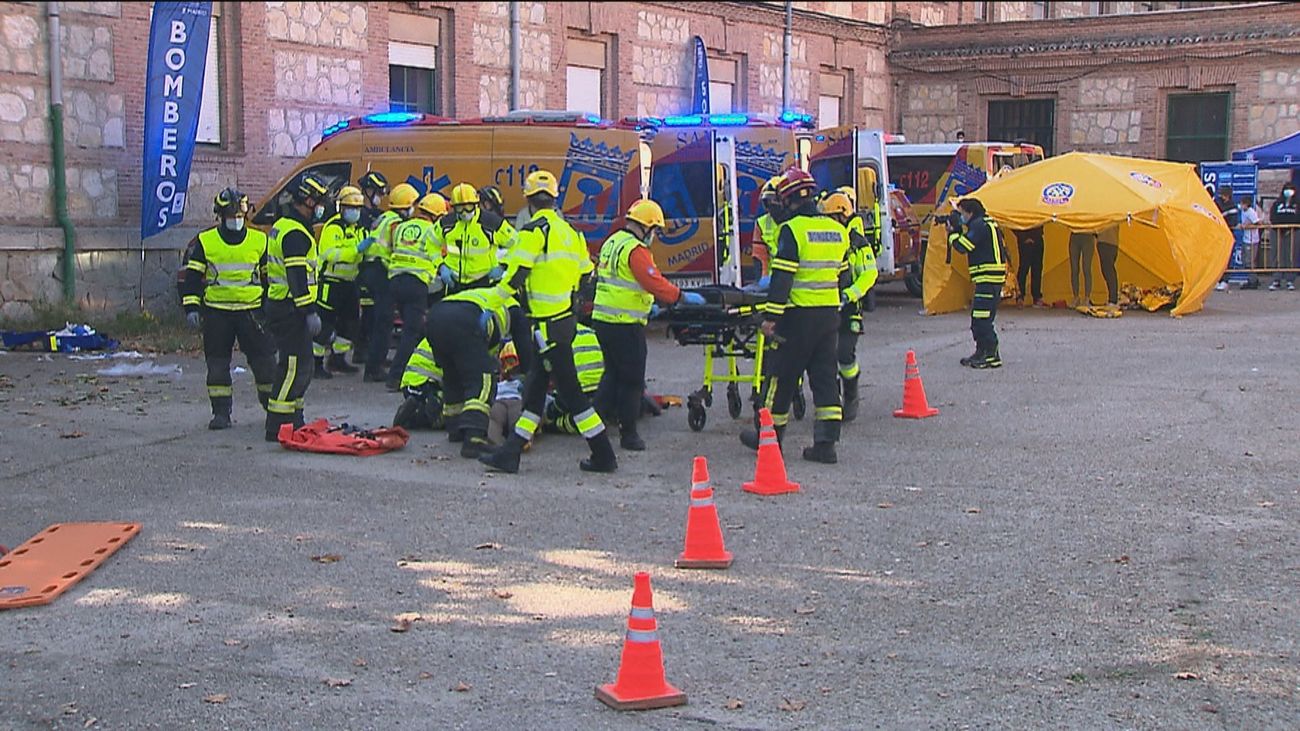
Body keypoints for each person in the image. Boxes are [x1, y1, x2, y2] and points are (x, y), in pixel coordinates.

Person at [478, 169, 618, 474]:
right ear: (554, 198)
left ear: (528, 200)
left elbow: (516, 275)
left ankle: (604, 453)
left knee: (573, 395)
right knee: (534, 392)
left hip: (545, 326)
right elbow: (585, 273)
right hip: (563, 322)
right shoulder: (570, 232)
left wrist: (489, 303)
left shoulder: (533, 230)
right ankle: (511, 452)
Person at [741, 168, 849, 464]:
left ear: (788, 200)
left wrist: (770, 317)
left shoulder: (793, 230)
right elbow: (844, 276)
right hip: (828, 316)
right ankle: (826, 444)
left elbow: (783, 279)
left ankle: (769, 439)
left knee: (781, 378)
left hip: (797, 317)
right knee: (826, 379)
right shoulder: (837, 231)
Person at [590, 199, 704, 450]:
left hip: (604, 320)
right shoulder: (636, 249)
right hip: (624, 324)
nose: (655, 236)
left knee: (612, 376)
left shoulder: (613, 242)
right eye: (655, 231)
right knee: (632, 381)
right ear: (647, 227)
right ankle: (628, 435)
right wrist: (681, 297)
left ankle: (592, 427)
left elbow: (624, 281)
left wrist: (647, 305)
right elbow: (653, 281)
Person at [178, 188, 276, 430]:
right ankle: (221, 413)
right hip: (217, 313)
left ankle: (274, 410)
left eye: (239, 214)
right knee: (217, 365)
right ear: (220, 216)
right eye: (231, 214)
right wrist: (191, 308)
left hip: (252, 313)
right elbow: (192, 279)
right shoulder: (206, 241)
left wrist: (270, 309)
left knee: (265, 364)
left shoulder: (260, 240)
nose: (236, 219)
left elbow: (269, 278)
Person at [264, 173, 328, 441]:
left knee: (303, 367)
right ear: (308, 200)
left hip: (287, 307)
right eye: (320, 202)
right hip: (290, 310)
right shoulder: (295, 233)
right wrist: (309, 311)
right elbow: (297, 277)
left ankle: (295, 417)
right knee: (292, 367)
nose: (323, 208)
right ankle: (277, 424)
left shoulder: (287, 226)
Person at [425, 286, 514, 458]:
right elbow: (522, 347)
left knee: (453, 375)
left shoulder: (481, 295)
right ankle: (474, 438)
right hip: (465, 321)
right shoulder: (513, 309)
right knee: (483, 379)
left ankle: (455, 427)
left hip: (435, 317)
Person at [819, 191, 877, 423]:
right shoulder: (823, 239)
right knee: (825, 356)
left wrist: (851, 294)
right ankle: (831, 402)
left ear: (843, 216)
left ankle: (851, 394)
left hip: (849, 307)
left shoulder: (857, 242)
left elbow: (869, 273)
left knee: (844, 354)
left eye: (833, 217)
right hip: (824, 305)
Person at [384, 191, 446, 390]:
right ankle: (396, 377)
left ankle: (411, 369)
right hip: (417, 283)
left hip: (394, 281)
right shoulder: (433, 230)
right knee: (412, 331)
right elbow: (441, 255)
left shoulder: (401, 226)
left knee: (411, 329)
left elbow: (391, 248)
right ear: (436, 214)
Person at [947, 197, 1007, 369]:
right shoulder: (987, 223)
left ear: (970, 212)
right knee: (979, 318)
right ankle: (981, 352)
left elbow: (963, 246)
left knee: (982, 320)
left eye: (962, 213)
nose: (961, 217)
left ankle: (991, 355)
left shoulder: (980, 225)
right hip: (989, 279)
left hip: (988, 280)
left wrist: (954, 232)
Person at [312, 185, 366, 379]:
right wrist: (357, 252)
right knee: (324, 323)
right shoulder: (333, 227)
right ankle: (316, 363)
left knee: (350, 323)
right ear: (341, 208)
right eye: (351, 208)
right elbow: (330, 253)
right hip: (331, 283)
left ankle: (338, 359)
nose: (355, 212)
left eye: (358, 208)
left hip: (350, 282)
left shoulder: (359, 229)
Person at [362, 181, 413, 382]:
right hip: (381, 271)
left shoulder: (386, 217)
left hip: (372, 268)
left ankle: (377, 361)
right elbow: (394, 249)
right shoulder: (395, 224)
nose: (412, 209)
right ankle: (374, 368)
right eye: (411, 205)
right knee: (384, 321)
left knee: (381, 320)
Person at [436, 183, 515, 294]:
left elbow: (518, 244)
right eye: (460, 207)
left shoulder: (492, 223)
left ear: (476, 204)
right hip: (454, 284)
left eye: (468, 207)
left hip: (484, 283)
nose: (464, 212)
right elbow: (430, 243)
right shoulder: (446, 223)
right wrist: (441, 265)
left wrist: (503, 265)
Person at [355, 171, 393, 367]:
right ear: (368, 191)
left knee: (372, 314)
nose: (380, 197)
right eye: (378, 192)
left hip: (377, 268)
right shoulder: (358, 214)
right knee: (366, 313)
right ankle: (361, 351)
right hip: (361, 267)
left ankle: (368, 352)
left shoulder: (379, 215)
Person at [545, 324, 605, 434]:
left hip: (575, 390)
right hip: (601, 389)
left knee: (552, 411)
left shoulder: (552, 335)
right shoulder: (589, 332)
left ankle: (552, 425)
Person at [392, 337, 444, 430]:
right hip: (423, 383)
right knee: (442, 415)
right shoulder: (459, 341)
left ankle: (415, 409)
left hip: (411, 383)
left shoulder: (436, 331)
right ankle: (413, 418)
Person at [488, 342, 524, 446]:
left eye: (512, 361)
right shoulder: (496, 378)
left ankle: (518, 441)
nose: (508, 366)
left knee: (517, 418)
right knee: (494, 418)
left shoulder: (524, 379)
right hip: (499, 401)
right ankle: (495, 442)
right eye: (505, 362)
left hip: (517, 400)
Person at [752, 176, 783, 280]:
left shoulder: (798, 220)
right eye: (768, 202)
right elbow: (760, 257)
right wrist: (763, 279)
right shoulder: (762, 223)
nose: (772, 205)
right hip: (773, 281)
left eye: (775, 200)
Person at [1269, 182, 1299, 290]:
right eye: (1287, 189)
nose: (1289, 191)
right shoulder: (1277, 203)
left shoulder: (1297, 204)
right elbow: (1272, 216)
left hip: (1293, 232)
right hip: (1277, 232)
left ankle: (1290, 280)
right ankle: (1276, 279)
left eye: (1291, 189)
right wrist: (1278, 227)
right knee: (1276, 256)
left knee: (1291, 256)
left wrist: (1293, 227)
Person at [1215, 185, 1241, 292]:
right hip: (1217, 235)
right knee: (1217, 259)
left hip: (1228, 235)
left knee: (1226, 259)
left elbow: (1233, 221)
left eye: (1223, 194)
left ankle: (1225, 280)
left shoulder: (1232, 206)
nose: (1221, 196)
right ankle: (1217, 279)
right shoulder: (1216, 203)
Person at [1013, 225, 1046, 308]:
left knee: (1037, 268)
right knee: (1024, 268)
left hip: (1038, 239)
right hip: (1025, 241)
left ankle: (1037, 297)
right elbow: (1012, 222)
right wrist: (1023, 237)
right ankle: (1020, 297)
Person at [1095, 225, 1121, 313]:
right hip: (1113, 243)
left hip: (1106, 242)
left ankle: (1113, 300)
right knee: (1109, 271)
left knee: (1108, 271)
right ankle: (1113, 298)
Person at [1068, 230, 1095, 308]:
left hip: (1088, 235)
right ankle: (1076, 297)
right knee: (1074, 268)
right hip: (1074, 235)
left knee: (1086, 268)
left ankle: (1087, 297)